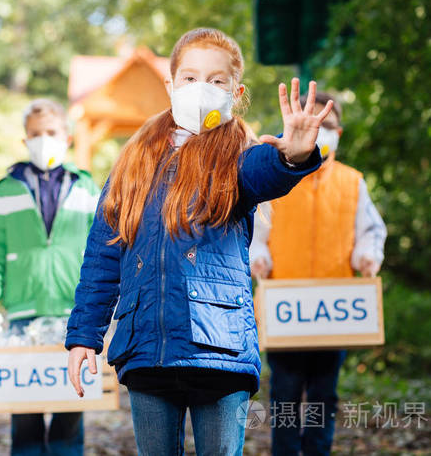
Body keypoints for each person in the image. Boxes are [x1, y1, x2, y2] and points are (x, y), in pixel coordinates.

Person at [64, 27, 335, 456]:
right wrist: (84, 336)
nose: (201, 89)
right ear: (170, 85)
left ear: (236, 91)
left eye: (216, 80)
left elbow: (265, 171)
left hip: (219, 350)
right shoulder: (132, 162)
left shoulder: (238, 155)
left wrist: (293, 155)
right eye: (189, 78)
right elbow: (103, 254)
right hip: (145, 348)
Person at [250, 91, 387, 456]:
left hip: (334, 310)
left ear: (338, 132)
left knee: (324, 395)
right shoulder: (276, 181)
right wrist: (258, 257)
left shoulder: (352, 182)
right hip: (285, 310)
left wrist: (367, 256)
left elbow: (371, 231)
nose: (320, 131)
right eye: (314, 123)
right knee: (285, 394)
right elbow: (256, 233)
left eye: (326, 125)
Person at [0, 98, 100, 456]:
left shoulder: (87, 187)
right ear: (24, 140)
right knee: (25, 417)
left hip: (73, 316)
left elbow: (100, 253)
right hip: (21, 316)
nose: (43, 139)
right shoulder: (6, 189)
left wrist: (105, 304)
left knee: (69, 414)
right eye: (35, 134)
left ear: (67, 137)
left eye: (51, 132)